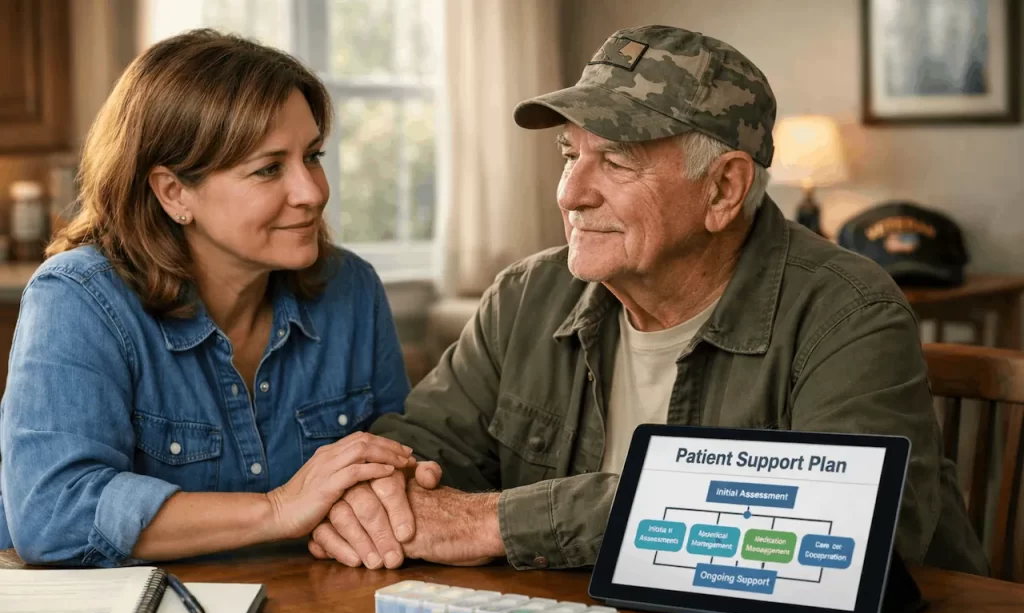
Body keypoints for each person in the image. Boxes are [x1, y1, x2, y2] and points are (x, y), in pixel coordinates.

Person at [307, 25, 988, 576]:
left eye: (619, 161)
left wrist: (492, 522)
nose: (572, 192)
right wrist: (377, 498)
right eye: (570, 154)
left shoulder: (849, 311)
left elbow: (846, 529)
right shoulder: (527, 295)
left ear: (724, 190)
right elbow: (416, 448)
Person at [0, 29, 439, 567]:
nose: (313, 192)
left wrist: (398, 486)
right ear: (174, 192)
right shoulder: (78, 299)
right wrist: (278, 509)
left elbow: (390, 473)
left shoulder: (352, 290)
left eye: (313, 155)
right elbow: (52, 513)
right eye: (269, 168)